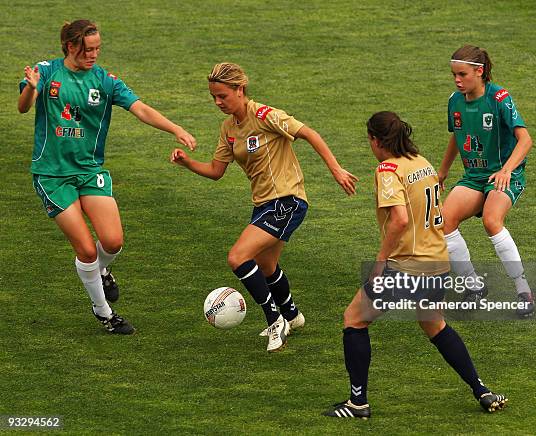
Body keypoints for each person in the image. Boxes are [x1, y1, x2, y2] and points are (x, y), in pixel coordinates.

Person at [324, 111, 506, 419]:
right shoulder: (422, 163)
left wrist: (381, 262)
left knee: (354, 319)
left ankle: (358, 403)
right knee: (434, 324)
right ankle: (482, 390)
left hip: (407, 267)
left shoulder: (388, 170)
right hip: (438, 263)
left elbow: (400, 220)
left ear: (375, 140)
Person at [18, 19, 196, 334]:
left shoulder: (104, 81)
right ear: (71, 46)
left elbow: (140, 109)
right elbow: (23, 107)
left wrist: (175, 128)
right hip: (52, 174)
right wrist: (32, 88)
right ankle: (104, 313)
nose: (95, 55)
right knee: (86, 250)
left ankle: (100, 271)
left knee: (112, 242)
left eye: (98, 48)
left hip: (89, 171)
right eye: (89, 49)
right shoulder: (46, 72)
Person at [171, 62, 358, 352]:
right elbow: (216, 170)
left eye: (223, 96)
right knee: (265, 265)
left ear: (239, 89)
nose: (218, 102)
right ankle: (293, 316)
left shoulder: (265, 115)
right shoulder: (229, 129)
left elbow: (309, 133)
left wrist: (336, 169)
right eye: (214, 98)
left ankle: (275, 320)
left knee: (238, 257)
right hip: (263, 205)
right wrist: (186, 163)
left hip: (287, 200)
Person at [437, 44, 535, 317]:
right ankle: (474, 286)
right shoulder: (454, 101)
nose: (457, 80)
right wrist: (443, 171)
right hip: (474, 177)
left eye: (462, 74)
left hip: (505, 175)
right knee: (443, 221)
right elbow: (457, 135)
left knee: (492, 221)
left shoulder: (499, 98)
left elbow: (525, 140)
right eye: (454, 74)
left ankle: (524, 290)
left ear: (479, 72)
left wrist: (505, 171)